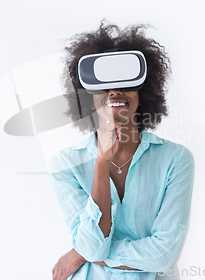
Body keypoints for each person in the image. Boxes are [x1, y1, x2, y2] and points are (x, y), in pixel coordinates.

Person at [48, 21, 195, 280]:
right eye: (104, 84)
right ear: (87, 95)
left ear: (144, 89)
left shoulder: (176, 159)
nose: (115, 90)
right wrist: (101, 164)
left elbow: (164, 255)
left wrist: (79, 254)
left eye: (126, 81)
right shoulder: (66, 164)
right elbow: (92, 247)